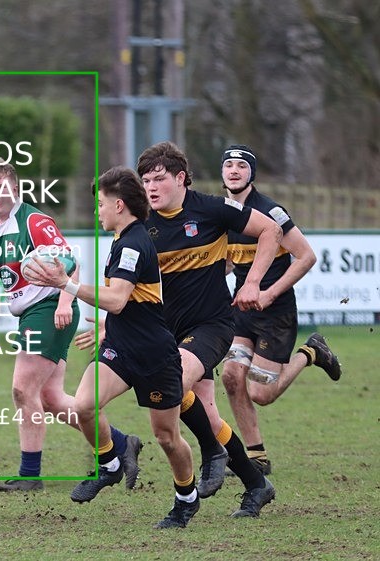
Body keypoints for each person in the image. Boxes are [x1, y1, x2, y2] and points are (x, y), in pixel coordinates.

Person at [25, 167, 199, 528]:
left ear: (119, 205)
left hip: (153, 354)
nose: (97, 211)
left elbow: (118, 299)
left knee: (167, 437)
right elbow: (129, 303)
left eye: (101, 203)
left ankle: (187, 497)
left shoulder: (133, 244)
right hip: (120, 346)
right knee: (84, 405)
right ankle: (110, 463)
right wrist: (107, 327)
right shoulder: (122, 240)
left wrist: (66, 285)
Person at [0, 158, 141, 491]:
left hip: (47, 309)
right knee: (49, 399)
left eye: (0, 187)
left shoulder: (34, 221)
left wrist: (64, 303)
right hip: (31, 313)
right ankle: (121, 444)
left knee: (22, 389)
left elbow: (69, 263)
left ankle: (30, 475)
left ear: (14, 189)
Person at [136, 141, 279, 517]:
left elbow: (271, 231)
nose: (150, 187)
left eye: (158, 179)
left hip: (212, 326)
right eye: (145, 181)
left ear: (180, 178)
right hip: (168, 332)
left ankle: (210, 454)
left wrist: (252, 283)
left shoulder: (213, 208)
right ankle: (256, 485)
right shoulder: (142, 225)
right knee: (207, 416)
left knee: (172, 386)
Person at [219, 145, 342, 474]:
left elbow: (307, 256)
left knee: (261, 392)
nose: (234, 170)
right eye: (229, 165)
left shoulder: (271, 212)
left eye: (241, 166)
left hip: (275, 313)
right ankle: (256, 456)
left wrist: (270, 293)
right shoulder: (222, 214)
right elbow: (228, 262)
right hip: (241, 310)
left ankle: (311, 352)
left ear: (252, 174)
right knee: (231, 376)